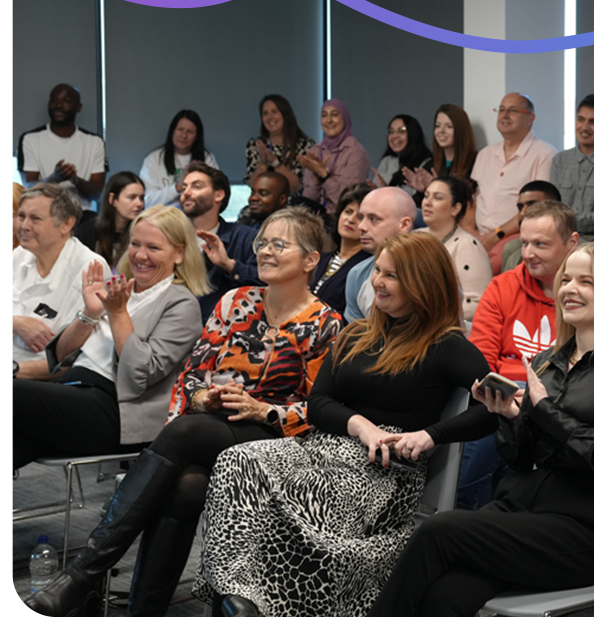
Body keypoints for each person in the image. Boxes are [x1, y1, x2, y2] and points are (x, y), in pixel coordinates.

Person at [19, 208, 340, 617]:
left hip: (273, 440)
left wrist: (262, 409)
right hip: (213, 426)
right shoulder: (234, 301)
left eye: (280, 244)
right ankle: (140, 610)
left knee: (187, 433)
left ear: (311, 259)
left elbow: (320, 408)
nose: (266, 252)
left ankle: (83, 575)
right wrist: (206, 397)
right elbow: (192, 375)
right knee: (186, 484)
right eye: (262, 243)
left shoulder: (325, 323)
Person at [195, 232, 496, 617]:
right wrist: (359, 424)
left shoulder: (447, 344)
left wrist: (431, 435)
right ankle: (239, 596)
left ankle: (261, 605)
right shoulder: (356, 332)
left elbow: (492, 409)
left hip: (384, 470)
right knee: (238, 460)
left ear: (422, 283)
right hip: (325, 446)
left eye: (391, 276)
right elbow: (319, 404)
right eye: (378, 271)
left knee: (303, 488)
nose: (377, 282)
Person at [368, 240, 594, 616]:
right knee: (446, 596)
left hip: (584, 531)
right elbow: (520, 457)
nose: (569, 290)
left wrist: (544, 411)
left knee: (436, 530)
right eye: (566, 280)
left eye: (586, 282)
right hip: (520, 513)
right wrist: (511, 418)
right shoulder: (548, 362)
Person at [13, 205, 207, 468]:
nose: (140, 255)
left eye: (153, 248)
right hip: (69, 393)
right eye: (135, 244)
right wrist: (90, 312)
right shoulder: (119, 288)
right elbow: (58, 357)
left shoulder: (181, 303)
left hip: (115, 410)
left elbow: (141, 373)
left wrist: (118, 315)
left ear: (180, 254)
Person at [458, 201, 580, 509]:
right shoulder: (503, 286)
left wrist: (534, 398)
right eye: (524, 243)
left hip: (559, 406)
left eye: (540, 244)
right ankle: (467, 527)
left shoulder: (588, 294)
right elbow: (481, 356)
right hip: (501, 401)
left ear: (572, 243)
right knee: (476, 451)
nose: (528, 253)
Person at [12, 184, 109, 379]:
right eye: (21, 216)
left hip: (38, 381)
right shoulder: (20, 255)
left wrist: (14, 370)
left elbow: (70, 360)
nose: (24, 226)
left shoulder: (90, 268)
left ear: (66, 224)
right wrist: (15, 322)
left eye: (36, 219)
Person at [471, 93, 557, 272]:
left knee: (482, 267)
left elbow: (537, 208)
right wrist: (470, 233)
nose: (504, 115)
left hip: (513, 236)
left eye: (513, 111)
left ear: (530, 118)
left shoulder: (544, 154)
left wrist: (495, 235)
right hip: (478, 234)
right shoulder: (485, 154)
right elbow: (472, 200)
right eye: (501, 110)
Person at [179, 161, 259, 320]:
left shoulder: (245, 237)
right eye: (184, 188)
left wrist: (229, 265)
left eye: (197, 186)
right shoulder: (172, 238)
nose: (186, 193)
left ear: (218, 195)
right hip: (177, 330)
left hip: (226, 334)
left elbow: (268, 282)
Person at [18, 83, 107, 207]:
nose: (58, 105)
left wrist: (75, 180)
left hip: (82, 219)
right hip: (43, 216)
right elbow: (28, 188)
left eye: (66, 101)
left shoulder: (95, 142)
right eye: (54, 100)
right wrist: (54, 178)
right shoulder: (30, 139)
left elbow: (99, 194)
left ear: (78, 107)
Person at [418, 176, 491, 321]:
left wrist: (431, 320)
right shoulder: (414, 237)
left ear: (455, 208)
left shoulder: (467, 245)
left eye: (437, 198)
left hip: (443, 329)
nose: (427, 202)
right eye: (426, 196)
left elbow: (477, 304)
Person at [343, 187, 416, 322]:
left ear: (404, 225)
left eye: (374, 218)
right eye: (361, 217)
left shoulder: (431, 271)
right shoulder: (357, 275)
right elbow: (357, 339)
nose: (361, 226)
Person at [550, 93, 594, 239]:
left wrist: (566, 224)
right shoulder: (560, 160)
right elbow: (552, 206)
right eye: (580, 119)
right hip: (558, 234)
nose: (584, 127)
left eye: (593, 122)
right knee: (511, 249)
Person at [299, 98, 371, 213]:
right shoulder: (316, 150)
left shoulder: (356, 152)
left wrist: (325, 176)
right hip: (316, 218)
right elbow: (308, 202)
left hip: (340, 218)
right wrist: (316, 178)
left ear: (344, 118)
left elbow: (347, 202)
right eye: (324, 115)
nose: (329, 120)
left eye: (334, 115)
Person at [311, 183, 372, 315]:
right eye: (348, 211)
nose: (350, 219)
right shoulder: (320, 258)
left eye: (360, 217)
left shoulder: (367, 268)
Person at [140, 110, 219, 208]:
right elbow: (147, 201)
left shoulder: (207, 158)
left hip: (196, 218)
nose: (184, 135)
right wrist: (177, 187)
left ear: (197, 136)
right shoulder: (154, 159)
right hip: (161, 219)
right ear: (172, 131)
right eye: (180, 129)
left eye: (190, 132)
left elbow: (215, 195)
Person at [245, 94, 315, 195]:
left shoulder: (306, 144)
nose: (270, 117)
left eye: (274, 111)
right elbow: (253, 185)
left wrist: (275, 163)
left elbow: (295, 186)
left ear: (285, 114)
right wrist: (262, 164)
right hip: (263, 205)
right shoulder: (256, 145)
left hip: (294, 207)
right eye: (265, 113)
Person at [74, 171, 146, 267]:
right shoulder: (87, 231)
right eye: (131, 197)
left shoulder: (143, 233)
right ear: (112, 199)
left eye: (141, 198)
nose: (139, 204)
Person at [403, 103, 478, 191]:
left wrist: (437, 188)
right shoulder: (430, 165)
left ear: (461, 130)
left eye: (449, 126)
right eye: (437, 126)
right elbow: (420, 203)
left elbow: (468, 199)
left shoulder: (475, 162)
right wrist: (424, 191)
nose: (441, 131)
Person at [499, 180, 562, 273]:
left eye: (533, 206)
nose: (523, 213)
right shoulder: (512, 252)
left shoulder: (581, 251)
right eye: (520, 207)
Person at [374, 114, 433, 201]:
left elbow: (415, 200)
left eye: (402, 131)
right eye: (391, 131)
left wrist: (387, 192)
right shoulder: (387, 161)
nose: (395, 136)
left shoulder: (426, 163)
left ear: (413, 133)